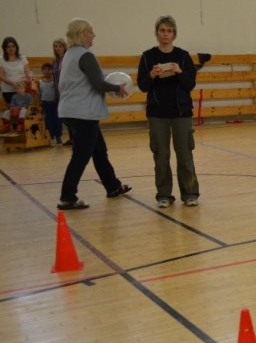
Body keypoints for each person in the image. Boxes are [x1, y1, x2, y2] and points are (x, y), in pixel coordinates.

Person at [57, 18, 132, 210]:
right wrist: (117, 87)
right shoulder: (85, 55)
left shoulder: (69, 55)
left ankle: (112, 186)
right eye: (91, 31)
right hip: (83, 113)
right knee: (81, 155)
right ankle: (68, 196)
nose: (94, 35)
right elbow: (98, 83)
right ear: (82, 34)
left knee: (99, 151)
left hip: (71, 110)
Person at [137, 15, 200, 208]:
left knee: (185, 155)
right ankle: (164, 194)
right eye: (162, 30)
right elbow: (142, 86)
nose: (166, 34)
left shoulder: (183, 55)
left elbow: (190, 84)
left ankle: (190, 193)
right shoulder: (148, 56)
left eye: (169, 31)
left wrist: (180, 72)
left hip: (181, 113)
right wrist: (152, 75)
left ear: (174, 33)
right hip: (157, 114)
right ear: (157, 33)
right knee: (161, 156)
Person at [0, 36, 32, 105]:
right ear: (4, 48)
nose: (11, 49)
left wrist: (27, 79)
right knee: (13, 112)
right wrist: (13, 83)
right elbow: (1, 76)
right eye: (8, 47)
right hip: (8, 90)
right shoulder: (1, 59)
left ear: (16, 47)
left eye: (13, 46)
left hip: (23, 89)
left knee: (25, 111)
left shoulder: (22, 58)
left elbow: (28, 72)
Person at [52, 38, 72, 145]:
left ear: (64, 47)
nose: (58, 48)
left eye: (60, 46)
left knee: (70, 115)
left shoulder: (68, 59)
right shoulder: (55, 62)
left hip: (67, 90)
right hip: (58, 91)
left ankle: (75, 137)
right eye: (56, 46)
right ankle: (71, 137)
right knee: (64, 115)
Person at [38, 63, 64, 144]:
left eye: (49, 69)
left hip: (55, 103)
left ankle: (58, 136)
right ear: (42, 71)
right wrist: (40, 104)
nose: (46, 71)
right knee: (48, 120)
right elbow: (39, 94)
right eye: (44, 69)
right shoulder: (39, 82)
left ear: (52, 70)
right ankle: (51, 136)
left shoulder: (55, 81)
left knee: (57, 120)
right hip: (45, 103)